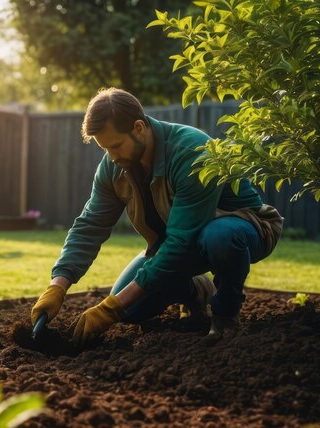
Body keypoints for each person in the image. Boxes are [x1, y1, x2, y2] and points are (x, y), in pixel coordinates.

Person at [31, 88, 283, 346]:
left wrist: (111, 307)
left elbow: (182, 243)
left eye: (116, 145)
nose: (112, 157)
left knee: (219, 237)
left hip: (245, 228)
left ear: (139, 127)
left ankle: (225, 315)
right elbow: (90, 226)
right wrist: (58, 285)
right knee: (131, 311)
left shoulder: (191, 151)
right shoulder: (113, 166)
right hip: (177, 244)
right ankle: (196, 290)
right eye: (105, 149)